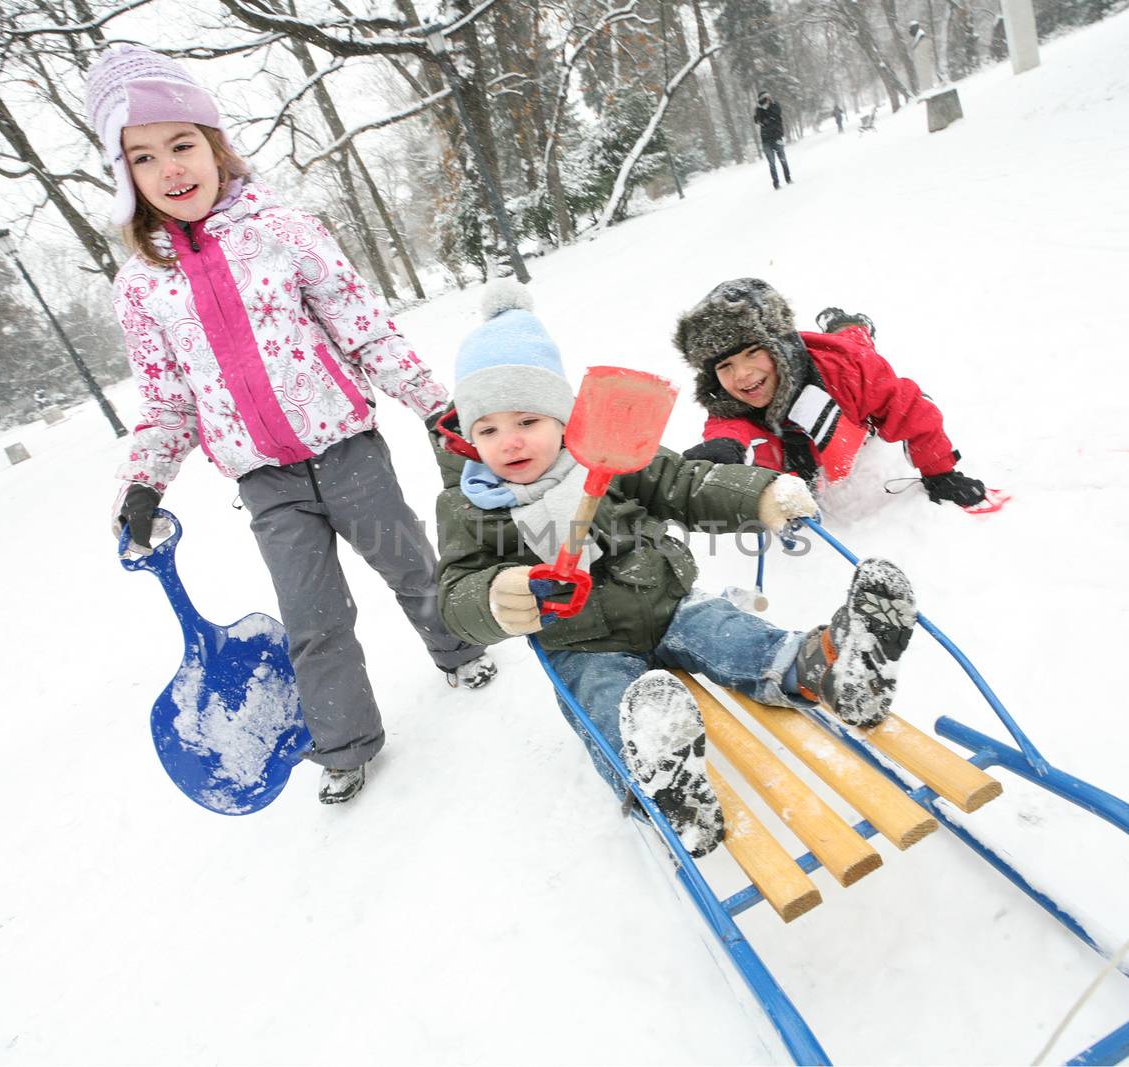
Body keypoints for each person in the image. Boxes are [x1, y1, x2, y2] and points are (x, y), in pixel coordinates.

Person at [85, 46, 493, 807]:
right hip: (265, 482)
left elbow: (365, 330)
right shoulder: (140, 285)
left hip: (347, 449)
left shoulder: (285, 228)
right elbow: (166, 402)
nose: (171, 169)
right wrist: (143, 481)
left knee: (410, 567)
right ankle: (344, 743)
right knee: (313, 620)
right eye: (144, 156)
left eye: (182, 144)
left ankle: (459, 649)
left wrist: (434, 401)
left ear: (213, 143)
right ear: (125, 175)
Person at [429, 280, 920, 857]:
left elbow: (684, 485)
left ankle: (832, 668)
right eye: (488, 429)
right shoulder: (468, 505)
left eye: (527, 421)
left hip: (670, 606)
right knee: (604, 702)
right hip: (583, 645)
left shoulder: (610, 452)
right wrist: (494, 597)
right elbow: (455, 590)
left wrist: (759, 494)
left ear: (563, 417)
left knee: (734, 636)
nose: (509, 441)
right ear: (468, 439)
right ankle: (662, 784)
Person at [676, 278, 988, 508]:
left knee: (854, 342)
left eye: (753, 353)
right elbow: (728, 426)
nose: (741, 375)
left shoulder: (846, 369)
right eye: (725, 366)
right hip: (801, 432)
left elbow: (910, 408)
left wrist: (940, 472)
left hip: (843, 368)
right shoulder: (733, 398)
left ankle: (847, 324)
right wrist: (725, 445)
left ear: (781, 347)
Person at [754, 90, 792, 189]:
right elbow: (757, 120)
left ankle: (788, 178)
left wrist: (769, 107)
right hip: (766, 140)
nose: (767, 99)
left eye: (768, 97)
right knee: (771, 163)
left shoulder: (775, 105)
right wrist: (760, 107)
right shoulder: (759, 109)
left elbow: (776, 114)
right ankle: (776, 183)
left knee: (783, 160)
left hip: (777, 137)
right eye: (764, 98)